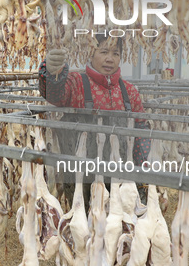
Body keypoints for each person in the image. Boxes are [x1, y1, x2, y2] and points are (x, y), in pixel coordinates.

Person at [38, 35, 151, 204]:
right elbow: (55, 95)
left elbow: (141, 129)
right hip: (80, 176)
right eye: (104, 51)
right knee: (82, 224)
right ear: (91, 53)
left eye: (115, 53)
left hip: (119, 174)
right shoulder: (76, 83)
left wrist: (142, 169)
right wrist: (50, 73)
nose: (109, 59)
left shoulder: (129, 92)